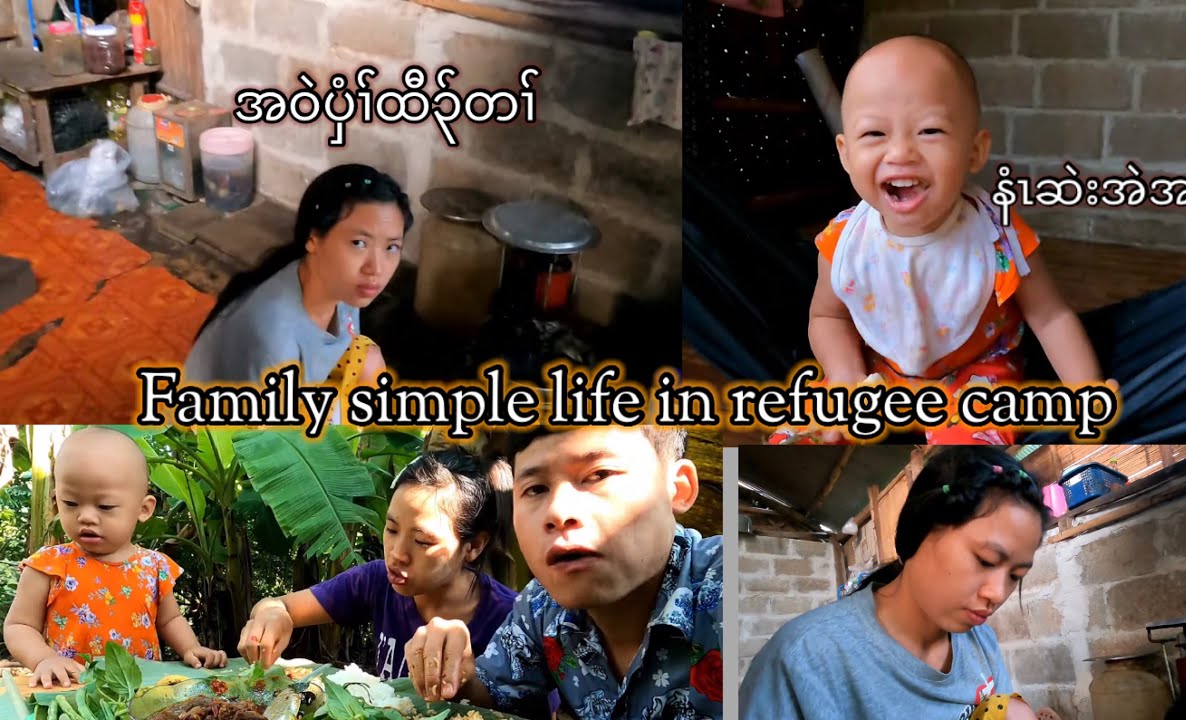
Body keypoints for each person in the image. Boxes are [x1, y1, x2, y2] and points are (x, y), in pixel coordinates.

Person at [775, 34, 1105, 446]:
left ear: (974, 151)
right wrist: (845, 373)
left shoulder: (998, 235)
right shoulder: (843, 242)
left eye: (929, 130)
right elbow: (828, 318)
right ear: (845, 154)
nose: (900, 152)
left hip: (974, 374)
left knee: (970, 445)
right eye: (874, 133)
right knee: (799, 433)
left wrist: (1087, 393)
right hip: (876, 371)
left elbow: (1050, 316)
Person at [403, 427, 723, 720]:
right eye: (536, 489)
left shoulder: (730, 587)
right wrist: (455, 671)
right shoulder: (541, 608)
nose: (558, 511)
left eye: (598, 475)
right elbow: (492, 696)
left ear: (678, 489)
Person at [740, 446, 1054, 719]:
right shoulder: (802, 660)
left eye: (1015, 575)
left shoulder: (981, 642)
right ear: (920, 529)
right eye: (985, 560)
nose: (997, 593)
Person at [237, 448, 516, 681]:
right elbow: (277, 605)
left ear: (474, 546)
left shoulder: (511, 620)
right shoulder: (376, 581)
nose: (397, 554)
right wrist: (273, 615)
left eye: (422, 542)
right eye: (391, 529)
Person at [3, 428, 227, 688]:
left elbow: (170, 620)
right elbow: (19, 625)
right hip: (71, 691)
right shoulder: (48, 564)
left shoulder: (154, 566)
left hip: (141, 692)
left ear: (144, 509)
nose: (85, 516)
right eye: (70, 503)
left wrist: (191, 648)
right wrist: (45, 659)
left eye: (105, 506)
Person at [184, 163, 412, 390]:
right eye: (359, 243)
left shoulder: (342, 285)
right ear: (313, 239)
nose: (376, 269)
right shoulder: (274, 340)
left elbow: (346, 346)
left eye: (391, 247)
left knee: (369, 359)